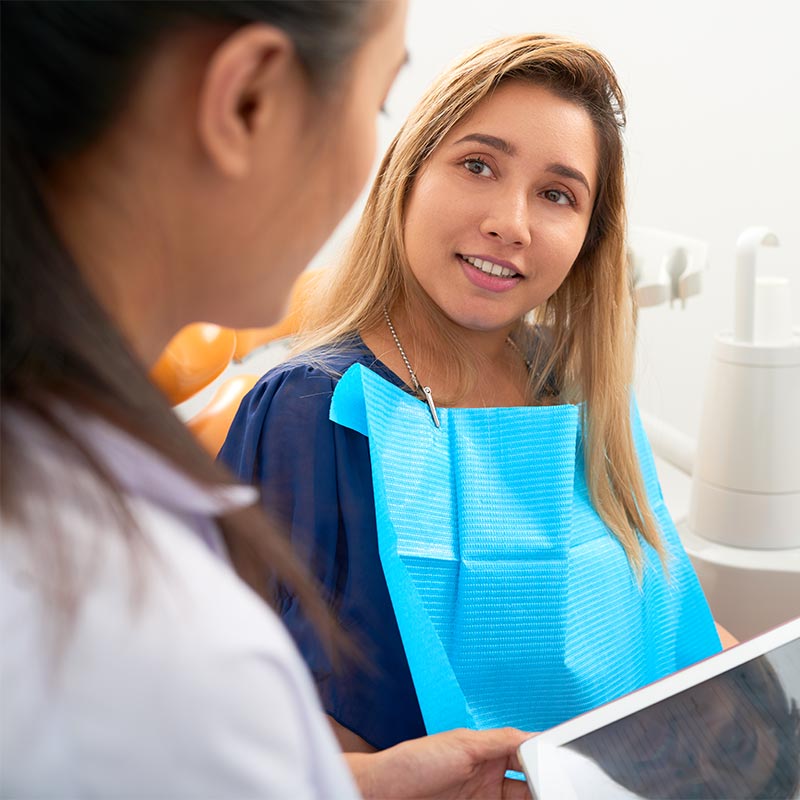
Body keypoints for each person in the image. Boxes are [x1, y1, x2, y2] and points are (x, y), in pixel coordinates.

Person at [0, 2, 532, 797]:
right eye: (379, 99)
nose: (510, 224)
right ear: (249, 99)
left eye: (561, 195)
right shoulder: (169, 650)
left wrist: (359, 786)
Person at [219, 33, 729, 755]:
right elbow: (247, 724)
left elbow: (674, 631)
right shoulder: (312, 410)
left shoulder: (581, 399)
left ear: (589, 237)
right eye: (478, 165)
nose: (510, 224)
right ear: (408, 175)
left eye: (557, 194)